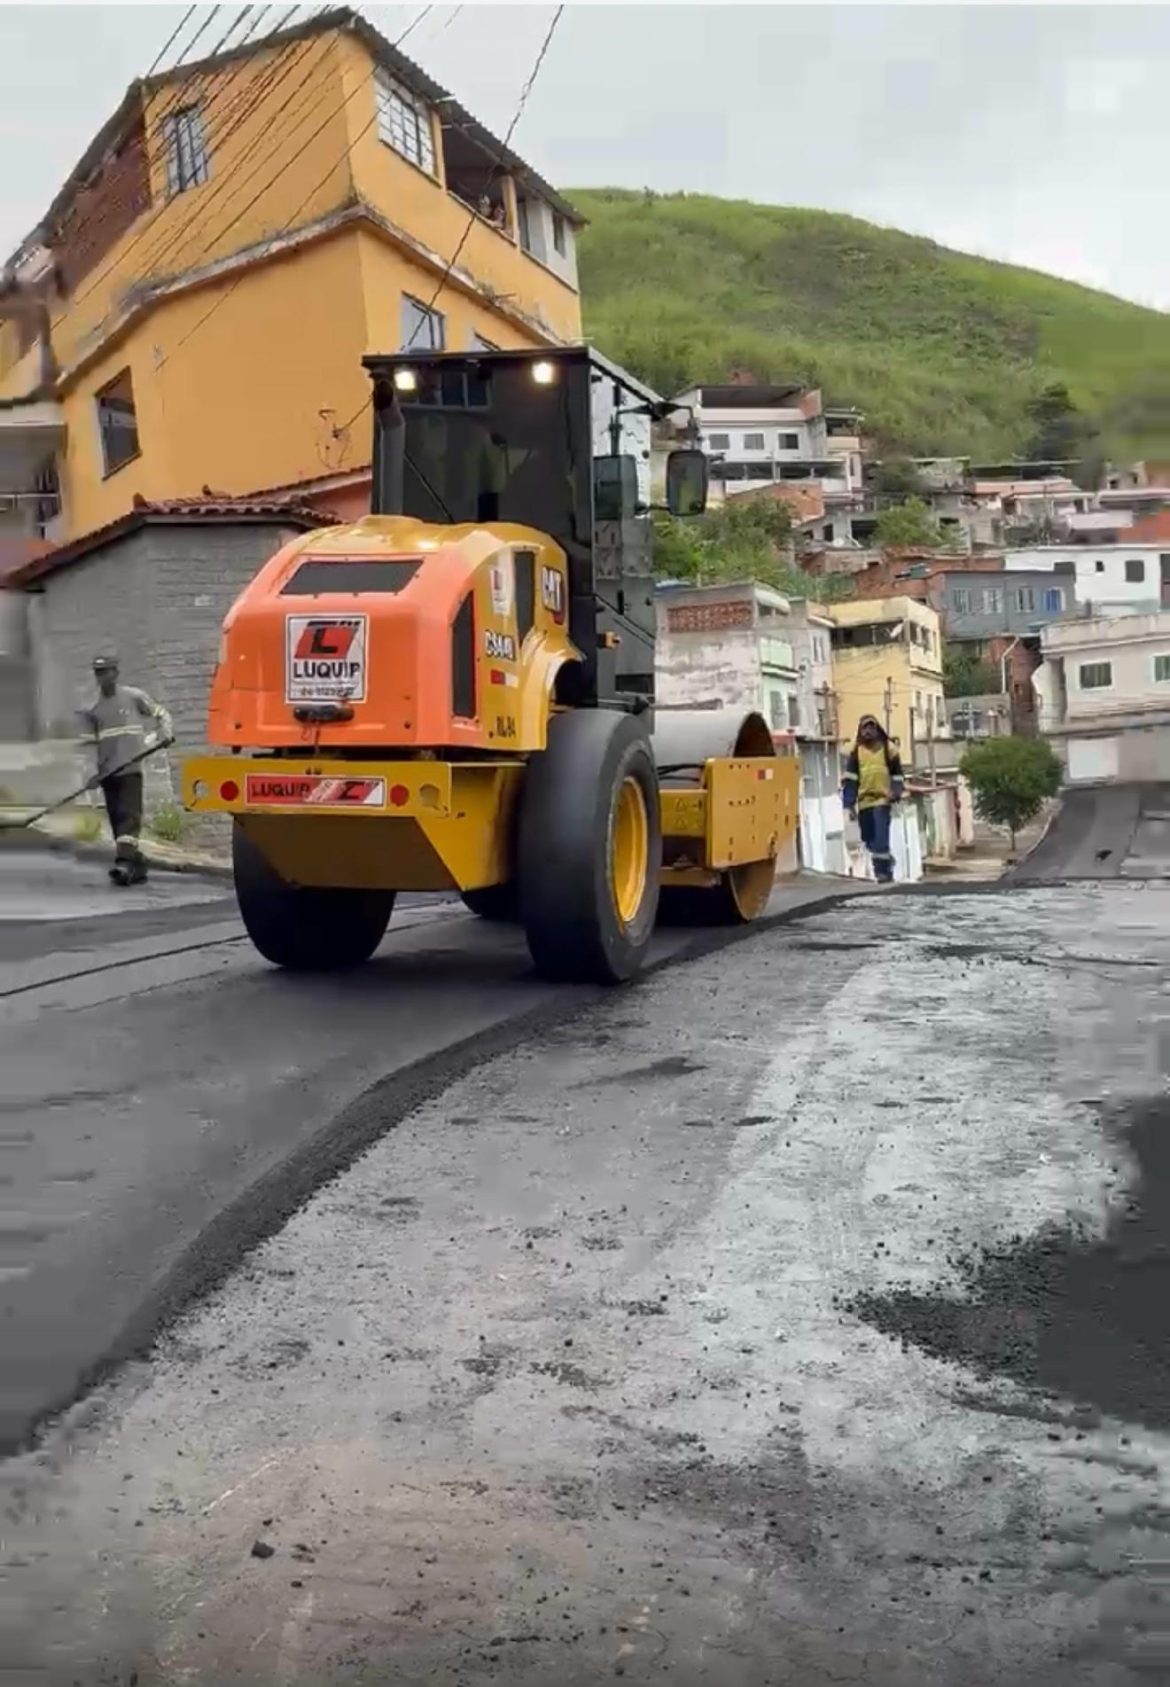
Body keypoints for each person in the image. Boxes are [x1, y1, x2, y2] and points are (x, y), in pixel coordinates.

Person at [79, 656, 172, 885]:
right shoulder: (93, 709)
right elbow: (90, 747)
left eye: (107, 671)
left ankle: (123, 864)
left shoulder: (133, 697)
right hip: (108, 774)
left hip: (131, 768)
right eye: (99, 673)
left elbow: (161, 714)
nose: (103, 677)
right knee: (118, 823)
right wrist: (92, 774)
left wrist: (166, 732)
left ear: (116, 673)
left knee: (129, 820)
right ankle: (136, 865)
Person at [842, 714, 904, 884]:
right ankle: (886, 860)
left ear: (877, 730)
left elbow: (898, 775)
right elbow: (851, 780)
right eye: (865, 727)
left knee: (880, 839)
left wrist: (896, 792)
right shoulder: (856, 753)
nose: (868, 731)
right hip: (864, 803)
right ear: (860, 731)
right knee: (868, 839)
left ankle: (882, 872)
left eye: (871, 727)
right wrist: (849, 804)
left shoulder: (888, 748)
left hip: (882, 801)